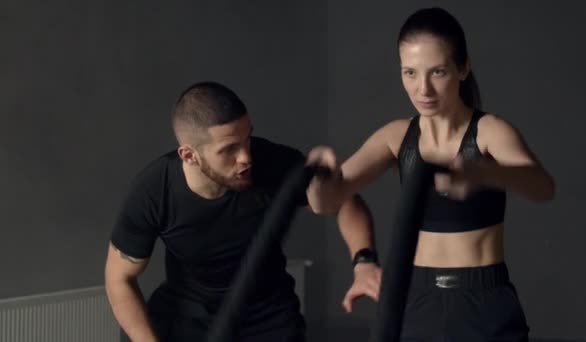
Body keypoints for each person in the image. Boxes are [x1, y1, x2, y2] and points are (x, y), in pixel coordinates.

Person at [307, 7, 555, 341]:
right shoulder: (395, 137)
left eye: (437, 72)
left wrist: (486, 172)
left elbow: (542, 187)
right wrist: (319, 177)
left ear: (463, 67)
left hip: (483, 299)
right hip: (414, 297)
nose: (422, 89)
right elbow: (328, 202)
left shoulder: (490, 132)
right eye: (409, 73)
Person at [104, 81, 378, 342]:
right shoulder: (154, 190)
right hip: (190, 317)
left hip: (268, 315)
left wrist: (364, 260)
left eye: (247, 139)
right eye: (229, 149)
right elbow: (119, 279)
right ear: (189, 155)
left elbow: (344, 202)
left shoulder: (273, 162)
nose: (246, 157)